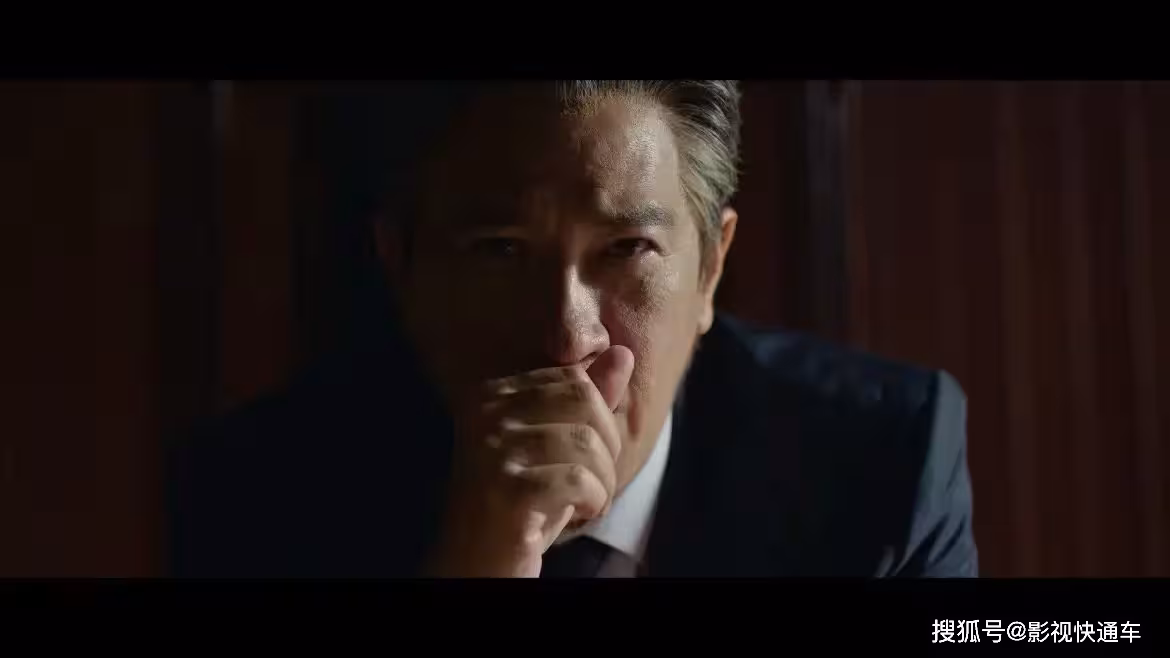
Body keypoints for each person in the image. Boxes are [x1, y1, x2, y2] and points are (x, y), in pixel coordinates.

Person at [166, 80, 978, 578]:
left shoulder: (881, 462)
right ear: (402, 266)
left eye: (627, 249)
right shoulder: (260, 496)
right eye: (499, 250)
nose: (566, 337)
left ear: (709, 270)